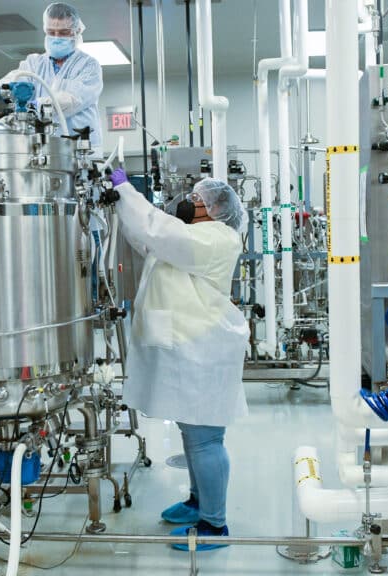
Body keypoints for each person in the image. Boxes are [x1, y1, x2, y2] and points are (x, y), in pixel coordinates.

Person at [102, 169, 249, 551]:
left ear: (215, 211)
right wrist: (122, 204)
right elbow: (145, 238)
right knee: (193, 433)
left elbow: (158, 231)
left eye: (197, 200)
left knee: (205, 439)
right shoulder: (192, 237)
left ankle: (215, 526)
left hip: (205, 351)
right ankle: (199, 502)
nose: (189, 202)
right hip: (190, 349)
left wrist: (126, 189)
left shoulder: (217, 238)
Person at [0, 3, 104, 152]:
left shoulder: (89, 65)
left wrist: (34, 106)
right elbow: (10, 82)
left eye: (63, 32)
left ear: (76, 31)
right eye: (51, 32)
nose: (56, 38)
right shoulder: (34, 63)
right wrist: (9, 89)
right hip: (41, 147)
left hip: (80, 149)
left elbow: (71, 100)